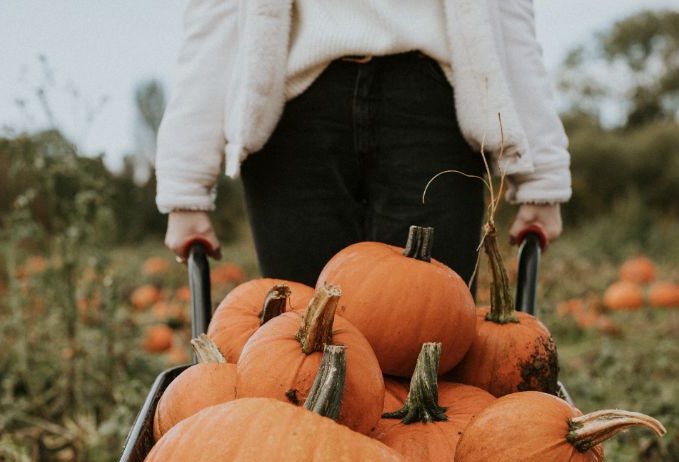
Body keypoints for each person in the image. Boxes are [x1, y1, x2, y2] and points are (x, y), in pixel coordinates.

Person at [156, 0, 571, 286]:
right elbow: (216, 21)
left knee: (433, 339)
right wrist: (185, 188)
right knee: (302, 336)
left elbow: (508, 19)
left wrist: (542, 176)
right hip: (295, 110)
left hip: (433, 105)